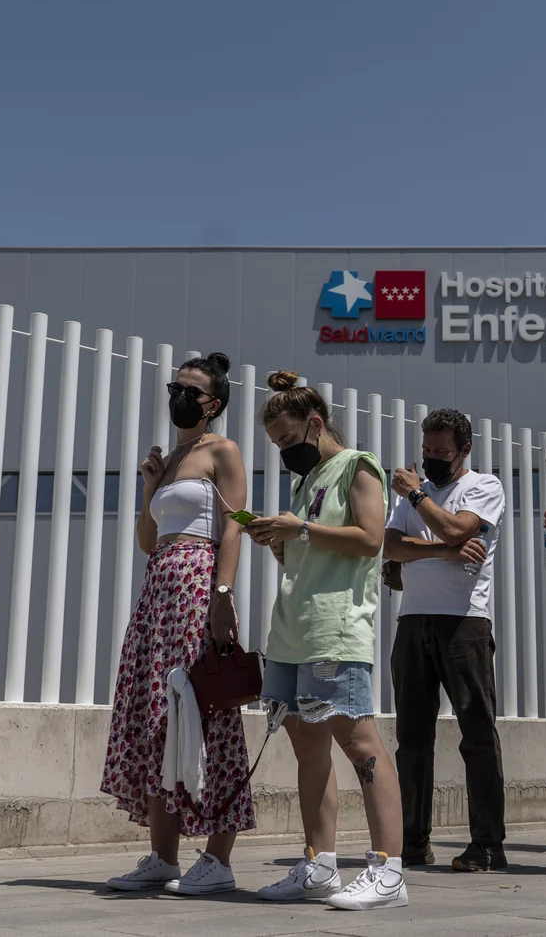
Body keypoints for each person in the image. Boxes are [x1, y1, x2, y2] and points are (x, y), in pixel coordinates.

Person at [246, 372, 406, 910]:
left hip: (334, 629)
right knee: (306, 746)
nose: (285, 451)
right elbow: (306, 555)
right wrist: (277, 541)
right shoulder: (307, 479)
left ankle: (389, 870)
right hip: (293, 629)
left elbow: (370, 540)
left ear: (315, 423)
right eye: (277, 445)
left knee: (359, 743)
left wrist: (302, 531)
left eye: (289, 440)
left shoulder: (358, 466)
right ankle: (319, 864)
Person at [101, 353, 252, 895]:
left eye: (192, 390)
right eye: (176, 387)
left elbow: (234, 526)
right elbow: (147, 542)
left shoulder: (222, 451)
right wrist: (149, 486)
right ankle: (162, 857)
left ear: (213, 403)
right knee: (156, 716)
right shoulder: (169, 460)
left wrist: (223, 594)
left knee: (205, 709)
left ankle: (217, 857)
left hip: (196, 583)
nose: (181, 397)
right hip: (158, 590)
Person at [383, 407, 508, 872]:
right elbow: (392, 547)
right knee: (412, 737)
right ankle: (414, 840)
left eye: (442, 451)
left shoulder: (483, 486)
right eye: (428, 450)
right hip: (413, 621)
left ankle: (488, 843)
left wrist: (417, 496)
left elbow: (460, 527)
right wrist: (442, 549)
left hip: (464, 621)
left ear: (464, 450)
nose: (433, 458)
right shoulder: (415, 496)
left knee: (476, 732)